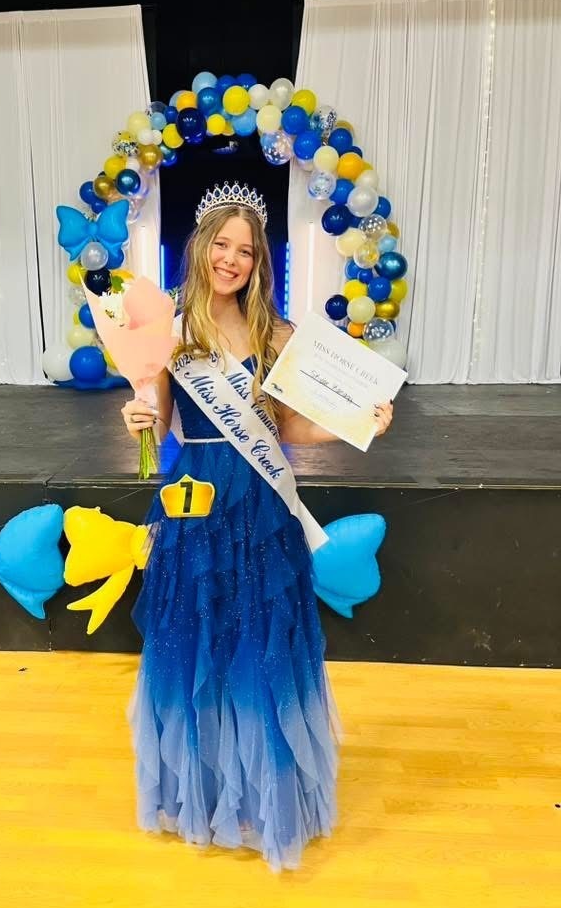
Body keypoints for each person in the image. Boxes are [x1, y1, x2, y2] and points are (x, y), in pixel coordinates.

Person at [121, 182, 393, 871]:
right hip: (197, 502)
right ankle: (205, 794)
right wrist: (138, 418)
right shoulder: (169, 329)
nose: (232, 259)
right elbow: (155, 416)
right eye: (222, 244)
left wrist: (360, 422)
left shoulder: (277, 334)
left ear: (259, 262)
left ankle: (262, 797)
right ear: (201, 245)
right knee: (199, 642)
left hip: (262, 507)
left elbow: (291, 428)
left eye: (246, 251)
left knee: (262, 646)